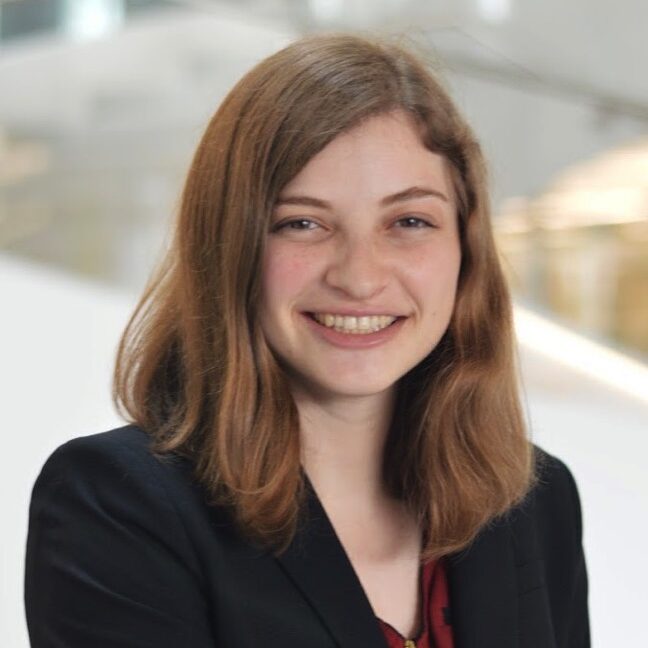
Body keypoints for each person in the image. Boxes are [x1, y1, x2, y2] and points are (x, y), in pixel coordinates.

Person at [24, 34, 589, 647]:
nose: (360, 276)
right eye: (303, 223)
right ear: (231, 248)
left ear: (466, 249)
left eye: (409, 221)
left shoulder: (533, 502)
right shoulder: (118, 506)